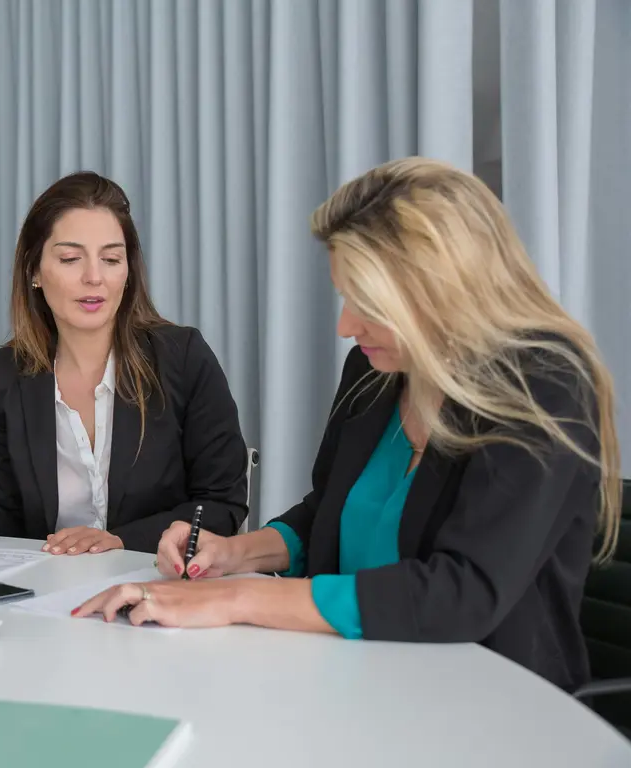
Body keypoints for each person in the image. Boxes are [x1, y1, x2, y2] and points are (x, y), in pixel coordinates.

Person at [75, 157, 621, 690]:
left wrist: (238, 598)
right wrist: (234, 554)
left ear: (444, 288)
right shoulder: (375, 367)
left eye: (367, 302)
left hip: (493, 704)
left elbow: (465, 593)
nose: (345, 326)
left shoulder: (545, 384)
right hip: (354, 676)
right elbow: (327, 515)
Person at [0, 171, 249, 554]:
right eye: (70, 258)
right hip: (52, 592)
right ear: (34, 271)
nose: (94, 277)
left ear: (128, 272)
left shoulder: (182, 357)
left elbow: (221, 504)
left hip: (158, 585)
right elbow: (17, 520)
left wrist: (119, 542)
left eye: (111, 258)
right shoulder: (4, 376)